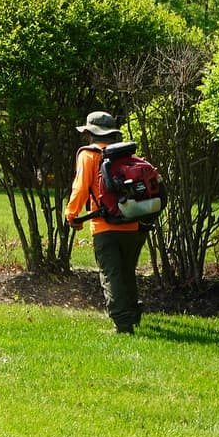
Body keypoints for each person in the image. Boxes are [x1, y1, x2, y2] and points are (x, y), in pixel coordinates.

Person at [66, 110, 146, 334]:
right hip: (132, 222)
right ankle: (133, 314)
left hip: (104, 226)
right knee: (127, 271)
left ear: (90, 133)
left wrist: (71, 214)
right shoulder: (127, 155)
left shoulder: (88, 155)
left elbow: (80, 188)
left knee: (111, 274)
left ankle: (122, 324)